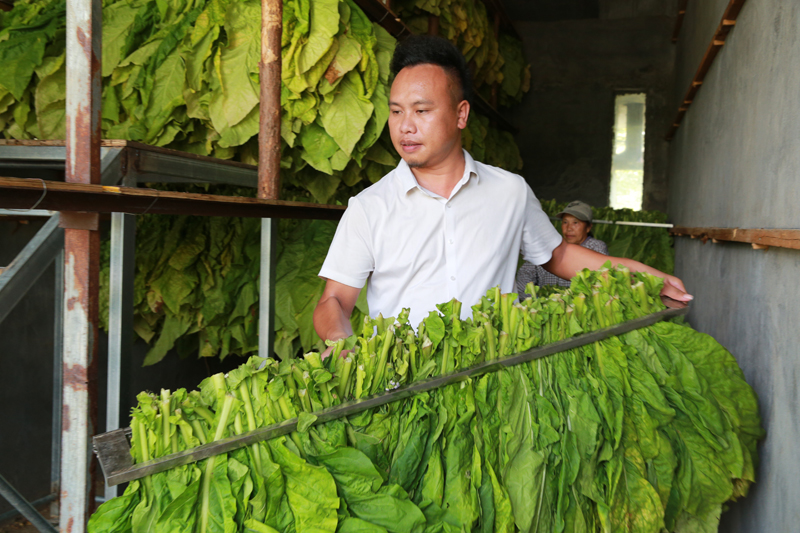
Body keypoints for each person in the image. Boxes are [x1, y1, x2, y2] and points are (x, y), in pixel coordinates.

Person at [313, 35, 691, 355]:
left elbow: (558, 256)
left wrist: (638, 274)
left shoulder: (509, 191)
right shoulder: (369, 207)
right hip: (401, 394)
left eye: (421, 110)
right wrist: (339, 339)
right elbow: (334, 301)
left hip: (494, 385)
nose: (405, 126)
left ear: (461, 114)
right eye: (396, 112)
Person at [516, 200, 607, 296]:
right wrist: (534, 299)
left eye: (575, 223)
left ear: (588, 227)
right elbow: (525, 273)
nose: (569, 228)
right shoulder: (549, 245)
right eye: (565, 222)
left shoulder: (596, 247)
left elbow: (601, 281)